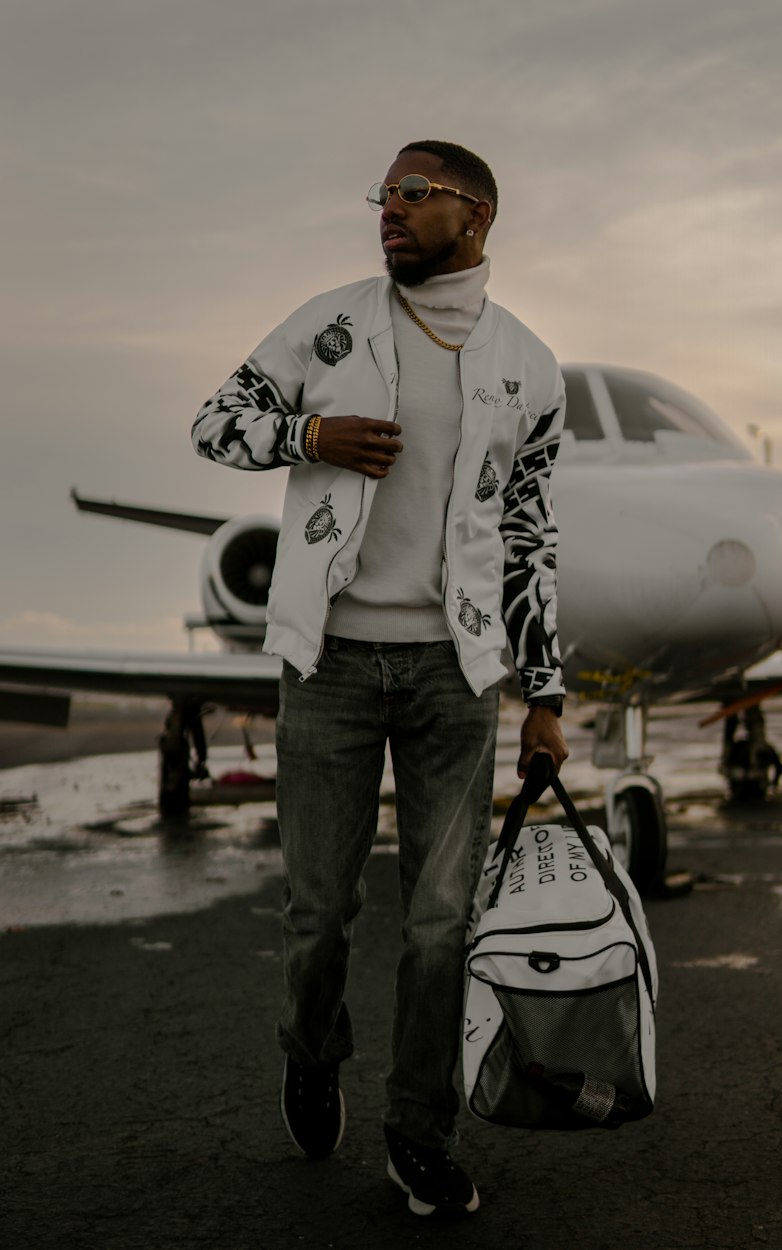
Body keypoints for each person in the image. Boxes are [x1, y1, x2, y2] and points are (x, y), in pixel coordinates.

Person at [192, 140, 568, 1216]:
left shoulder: (530, 367)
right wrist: (308, 430)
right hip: (332, 664)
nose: (388, 212)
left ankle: (417, 1130)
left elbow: (533, 535)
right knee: (320, 912)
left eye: (412, 193)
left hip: (458, 671)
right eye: (382, 196)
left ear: (476, 213)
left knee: (440, 921)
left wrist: (544, 692)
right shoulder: (329, 324)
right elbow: (213, 421)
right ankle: (311, 1050)